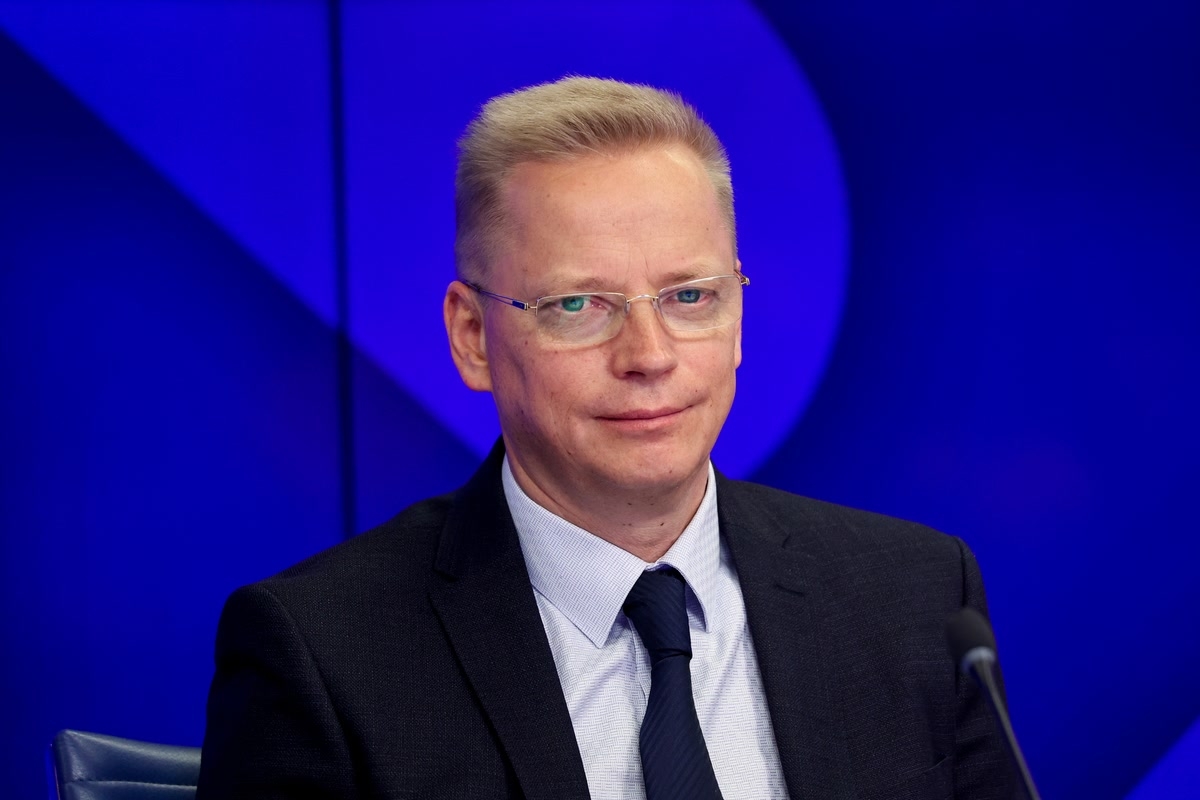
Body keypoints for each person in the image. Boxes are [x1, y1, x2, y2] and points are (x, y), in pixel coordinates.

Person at [197, 77, 1015, 799]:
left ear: (738, 317)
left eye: (690, 297)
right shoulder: (323, 652)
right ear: (472, 337)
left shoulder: (918, 599)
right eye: (578, 306)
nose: (649, 357)